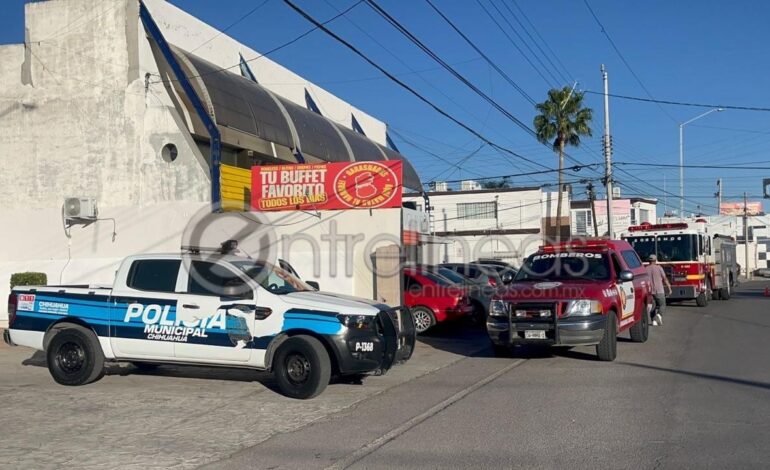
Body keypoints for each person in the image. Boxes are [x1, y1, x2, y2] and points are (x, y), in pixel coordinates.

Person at [646, 254, 672, 326]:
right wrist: (669, 287)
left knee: (653, 306)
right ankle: (658, 316)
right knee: (662, 304)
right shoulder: (659, 268)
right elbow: (665, 278)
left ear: (649, 261)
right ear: (655, 261)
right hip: (659, 290)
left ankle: (653, 321)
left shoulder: (646, 269)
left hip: (650, 291)